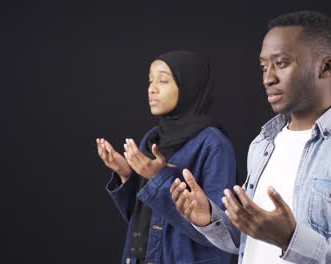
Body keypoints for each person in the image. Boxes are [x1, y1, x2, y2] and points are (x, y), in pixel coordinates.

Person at [171, 11, 331, 264]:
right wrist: (209, 218)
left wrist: (292, 241)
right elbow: (250, 238)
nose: (268, 78)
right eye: (263, 66)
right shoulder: (263, 144)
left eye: (281, 63)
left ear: (326, 67)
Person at [96, 50, 236, 264]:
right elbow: (140, 218)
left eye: (163, 80)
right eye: (150, 80)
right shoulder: (153, 138)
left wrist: (158, 177)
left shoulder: (213, 143)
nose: (152, 89)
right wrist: (126, 174)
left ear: (188, 85)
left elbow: (223, 232)